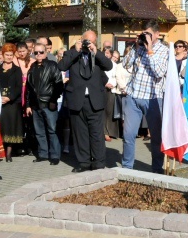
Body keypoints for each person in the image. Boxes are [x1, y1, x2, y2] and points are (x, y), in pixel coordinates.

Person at [58, 30, 113, 172]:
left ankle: (99, 162)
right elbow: (61, 66)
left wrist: (96, 52)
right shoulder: (71, 54)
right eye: (86, 41)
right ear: (81, 40)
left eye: (92, 42)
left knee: (96, 134)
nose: (88, 44)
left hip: (95, 100)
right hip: (77, 99)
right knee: (80, 133)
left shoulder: (97, 55)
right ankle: (84, 163)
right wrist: (76, 51)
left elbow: (109, 66)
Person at [121, 20, 168, 173]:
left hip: (153, 98)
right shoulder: (138, 48)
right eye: (143, 33)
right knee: (128, 134)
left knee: (156, 136)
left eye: (148, 33)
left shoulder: (164, 50)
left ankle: (157, 168)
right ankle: (127, 167)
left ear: (157, 34)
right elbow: (125, 65)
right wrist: (135, 46)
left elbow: (159, 72)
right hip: (133, 96)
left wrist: (150, 51)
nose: (145, 36)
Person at [25, 42, 64, 165]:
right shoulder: (32, 68)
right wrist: (27, 105)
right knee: (39, 131)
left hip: (48, 103)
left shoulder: (52, 65)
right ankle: (43, 154)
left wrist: (53, 100)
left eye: (41, 52)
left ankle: (55, 155)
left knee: (52, 131)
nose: (38, 55)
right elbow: (28, 88)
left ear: (46, 52)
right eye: (35, 52)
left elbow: (59, 84)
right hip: (35, 104)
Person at [0, 43, 24, 161]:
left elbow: (18, 87)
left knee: (11, 127)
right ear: (3, 55)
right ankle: (0, 151)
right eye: (7, 55)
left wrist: (9, 98)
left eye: (11, 55)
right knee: (1, 127)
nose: (9, 57)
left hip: (12, 103)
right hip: (0, 101)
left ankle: (9, 153)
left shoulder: (17, 70)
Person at [103, 48, 119, 141]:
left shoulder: (116, 66)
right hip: (105, 88)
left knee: (111, 111)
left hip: (113, 89)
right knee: (105, 111)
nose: (115, 59)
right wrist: (106, 84)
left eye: (117, 57)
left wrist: (114, 84)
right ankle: (105, 132)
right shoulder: (103, 64)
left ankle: (111, 132)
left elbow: (117, 76)